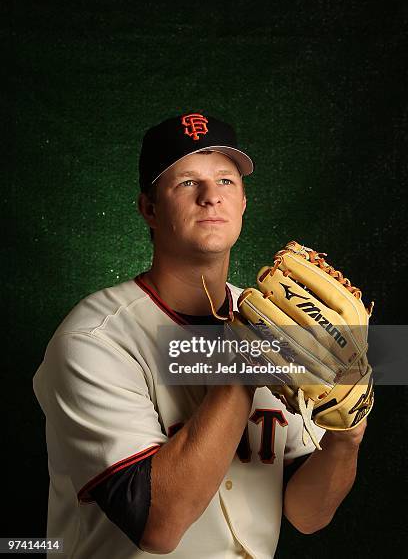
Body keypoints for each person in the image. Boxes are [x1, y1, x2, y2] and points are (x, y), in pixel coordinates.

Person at [33, 112, 367, 558]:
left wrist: (347, 436)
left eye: (226, 181)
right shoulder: (92, 340)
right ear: (149, 209)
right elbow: (158, 527)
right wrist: (246, 358)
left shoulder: (283, 319)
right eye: (187, 182)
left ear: (244, 202)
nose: (212, 197)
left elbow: (307, 515)